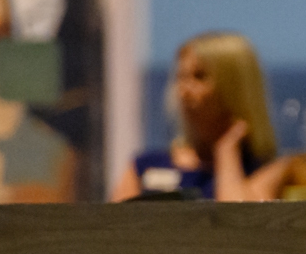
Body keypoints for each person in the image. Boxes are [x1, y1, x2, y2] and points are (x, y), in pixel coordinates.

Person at [112, 31, 290, 202]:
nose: (184, 90)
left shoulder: (265, 170)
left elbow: (239, 219)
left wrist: (227, 150)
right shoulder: (144, 167)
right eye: (181, 77)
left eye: (199, 77)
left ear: (234, 88)